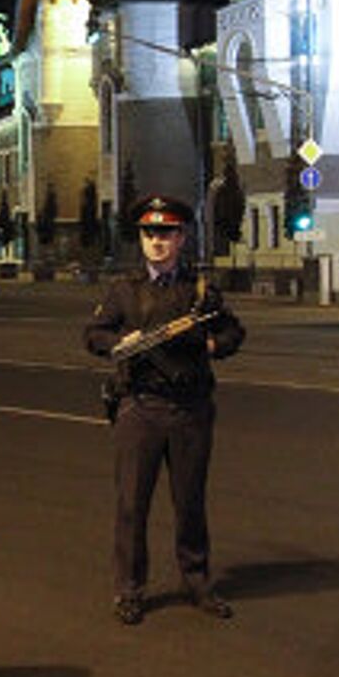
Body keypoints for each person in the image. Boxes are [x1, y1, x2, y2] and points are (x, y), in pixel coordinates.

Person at [83, 194, 244, 626]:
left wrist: (210, 344)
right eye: (150, 233)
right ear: (141, 238)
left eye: (167, 233)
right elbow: (94, 333)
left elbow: (232, 332)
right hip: (141, 407)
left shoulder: (200, 290)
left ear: (181, 237)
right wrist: (118, 344)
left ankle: (196, 581)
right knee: (132, 504)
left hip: (190, 408)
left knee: (190, 502)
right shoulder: (124, 290)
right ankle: (130, 589)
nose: (158, 241)